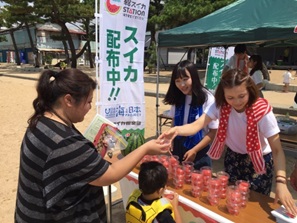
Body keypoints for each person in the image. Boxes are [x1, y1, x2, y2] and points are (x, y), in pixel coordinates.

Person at [14, 69, 171, 223]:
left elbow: (68, 166)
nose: (90, 107)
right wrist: (145, 148)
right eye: (88, 101)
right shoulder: (64, 142)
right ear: (68, 100)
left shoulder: (42, 121)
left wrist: (93, 153)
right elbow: (111, 174)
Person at [159, 69, 297, 216]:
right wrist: (176, 130)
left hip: (259, 162)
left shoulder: (261, 110)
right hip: (233, 158)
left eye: (241, 96)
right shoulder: (221, 106)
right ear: (223, 95)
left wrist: (281, 182)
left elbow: (277, 149)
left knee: (253, 207)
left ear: (250, 90)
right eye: (230, 97)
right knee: (231, 201)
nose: (236, 102)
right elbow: (197, 125)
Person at [162, 60, 218, 169]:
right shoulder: (177, 96)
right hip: (178, 146)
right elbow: (174, 122)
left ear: (194, 77)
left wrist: (195, 150)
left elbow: (213, 132)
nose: (182, 85)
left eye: (185, 79)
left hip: (199, 148)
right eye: (177, 81)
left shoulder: (207, 98)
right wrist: (171, 140)